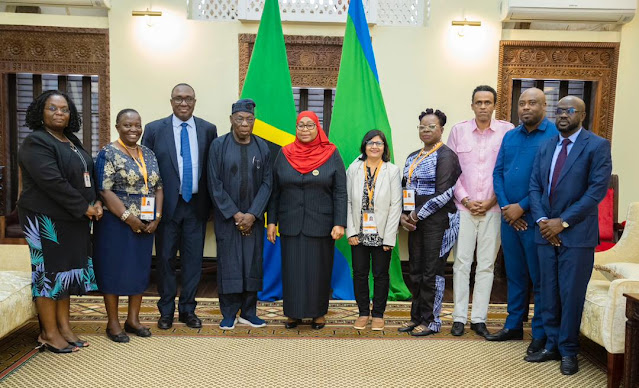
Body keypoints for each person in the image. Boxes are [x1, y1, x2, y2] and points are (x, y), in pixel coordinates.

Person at [528, 96, 612, 375]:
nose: (563, 115)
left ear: (582, 115)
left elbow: (596, 191)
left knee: (571, 294)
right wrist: (543, 221)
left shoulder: (597, 146)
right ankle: (551, 345)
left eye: (570, 110)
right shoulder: (546, 145)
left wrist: (561, 223)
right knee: (548, 293)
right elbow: (535, 188)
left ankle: (568, 350)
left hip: (576, 236)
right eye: (560, 110)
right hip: (544, 233)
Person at [18, 90, 102, 353]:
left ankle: (64, 328)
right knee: (47, 274)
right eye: (52, 108)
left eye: (64, 109)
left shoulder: (70, 140)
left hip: (72, 218)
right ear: (40, 112)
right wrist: (85, 207)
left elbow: (86, 175)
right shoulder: (36, 142)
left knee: (65, 273)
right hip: (45, 220)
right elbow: (52, 182)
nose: (59, 113)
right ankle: (48, 333)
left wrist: (96, 201)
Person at [488, 87, 558, 355]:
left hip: (536, 220)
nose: (526, 107)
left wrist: (522, 208)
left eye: (532, 103)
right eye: (522, 103)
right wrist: (507, 207)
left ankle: (539, 334)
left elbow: (549, 181)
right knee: (514, 276)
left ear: (544, 106)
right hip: (509, 219)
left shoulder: (553, 136)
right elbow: (498, 173)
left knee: (539, 279)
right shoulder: (510, 136)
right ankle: (514, 325)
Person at [142, 83, 217, 330]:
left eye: (188, 99)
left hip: (196, 206)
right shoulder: (154, 129)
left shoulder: (208, 129)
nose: (183, 103)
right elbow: (145, 174)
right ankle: (165, 311)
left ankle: (188, 310)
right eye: (178, 99)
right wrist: (147, 212)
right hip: (166, 208)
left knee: (193, 262)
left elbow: (211, 170)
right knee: (164, 260)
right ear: (171, 101)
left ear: (195, 101)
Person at [267, 111, 347, 330]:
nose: (304, 130)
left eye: (309, 125)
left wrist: (340, 222)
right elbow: (275, 191)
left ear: (318, 127)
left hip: (321, 224)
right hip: (291, 222)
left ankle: (318, 314)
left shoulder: (331, 153)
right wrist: (271, 221)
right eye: (300, 125)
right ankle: (293, 313)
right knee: (292, 270)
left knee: (318, 270)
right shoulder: (284, 153)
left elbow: (340, 191)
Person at [447, 85, 514, 338]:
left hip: (494, 209)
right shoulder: (458, 130)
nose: (483, 106)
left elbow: (508, 170)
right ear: (472, 105)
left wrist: (491, 201)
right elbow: (452, 171)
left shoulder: (507, 131)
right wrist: (465, 199)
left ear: (494, 105)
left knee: (486, 265)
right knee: (462, 263)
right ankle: (459, 318)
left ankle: (479, 319)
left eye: (488, 102)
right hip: (463, 209)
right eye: (479, 102)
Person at [93, 109, 164, 342]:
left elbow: (158, 186)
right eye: (127, 125)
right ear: (117, 127)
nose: (133, 130)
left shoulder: (149, 154)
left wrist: (157, 217)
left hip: (145, 224)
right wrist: (128, 219)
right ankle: (112, 323)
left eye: (137, 125)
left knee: (139, 269)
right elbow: (104, 190)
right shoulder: (108, 153)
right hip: (116, 225)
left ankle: (133, 319)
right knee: (113, 270)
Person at [207, 99, 272, 330]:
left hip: (253, 220)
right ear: (231, 120)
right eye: (240, 119)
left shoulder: (262, 147)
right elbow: (214, 184)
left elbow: (267, 184)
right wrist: (235, 214)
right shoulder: (218, 145)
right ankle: (228, 313)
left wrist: (253, 215)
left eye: (249, 119)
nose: (245, 123)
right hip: (228, 219)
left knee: (252, 264)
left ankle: (249, 312)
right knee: (230, 265)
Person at [398, 108, 461, 337]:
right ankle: (416, 318)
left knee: (432, 272)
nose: (426, 130)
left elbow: (445, 193)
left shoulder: (447, 155)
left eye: (431, 126)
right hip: (416, 223)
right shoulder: (413, 156)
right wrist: (404, 215)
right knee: (415, 270)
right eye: (422, 126)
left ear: (441, 129)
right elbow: (406, 188)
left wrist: (415, 215)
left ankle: (432, 321)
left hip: (439, 223)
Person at [346, 130, 402, 331]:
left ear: (384, 147)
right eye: (370, 143)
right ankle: (362, 312)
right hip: (359, 232)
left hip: (381, 232)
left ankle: (378, 313)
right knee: (359, 273)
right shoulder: (354, 168)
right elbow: (348, 201)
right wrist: (351, 231)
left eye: (379, 143)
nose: (374, 146)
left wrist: (389, 237)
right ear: (364, 146)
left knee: (380, 274)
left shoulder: (392, 170)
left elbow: (396, 205)